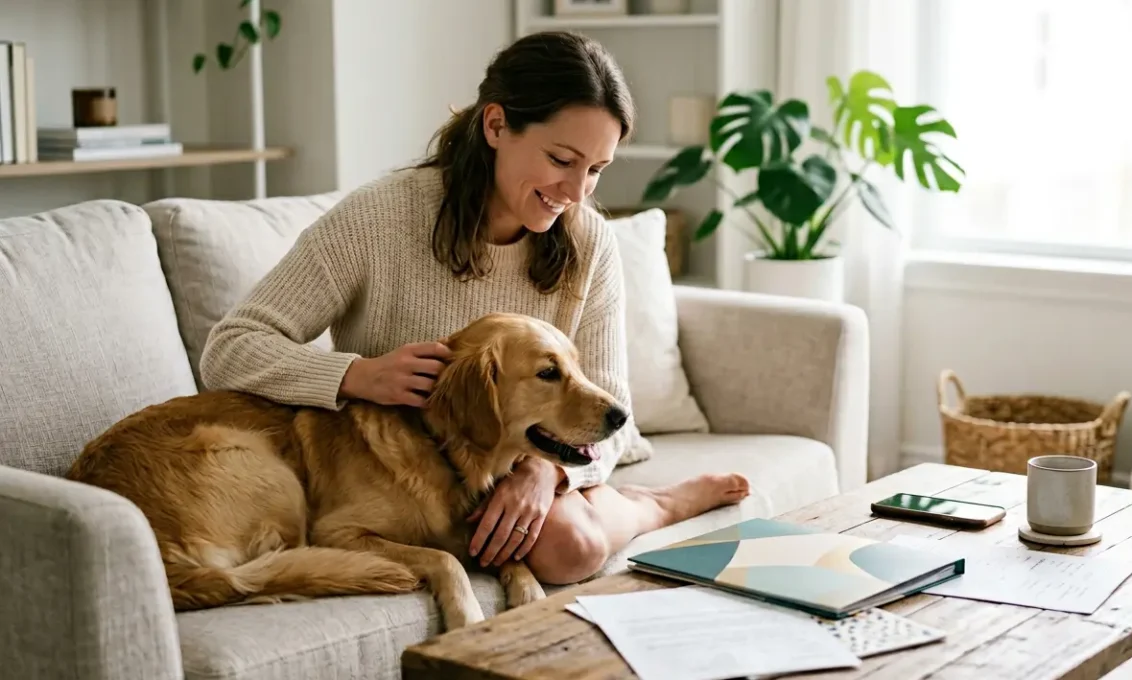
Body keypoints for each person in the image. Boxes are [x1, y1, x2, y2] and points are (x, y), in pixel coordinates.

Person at [199, 30, 749, 585]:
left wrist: (546, 472)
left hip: (517, 458)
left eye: (597, 169)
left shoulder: (589, 241)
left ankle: (655, 506)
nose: (577, 192)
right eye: (562, 159)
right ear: (495, 126)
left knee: (570, 548)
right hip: (402, 473)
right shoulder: (376, 220)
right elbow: (231, 348)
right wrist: (358, 374)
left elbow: (609, 404)